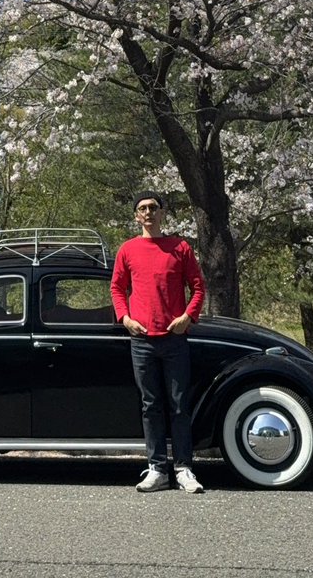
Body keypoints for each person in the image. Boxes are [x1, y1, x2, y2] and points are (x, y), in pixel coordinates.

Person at [110, 190, 207, 493]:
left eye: (154, 207)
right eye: (142, 209)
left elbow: (198, 286)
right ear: (136, 216)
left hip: (175, 340)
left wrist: (188, 317)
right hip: (141, 340)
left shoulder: (180, 247)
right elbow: (116, 288)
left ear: (163, 213)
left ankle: (184, 468)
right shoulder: (128, 249)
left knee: (179, 406)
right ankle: (156, 468)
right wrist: (125, 319)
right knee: (150, 406)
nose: (148, 213)